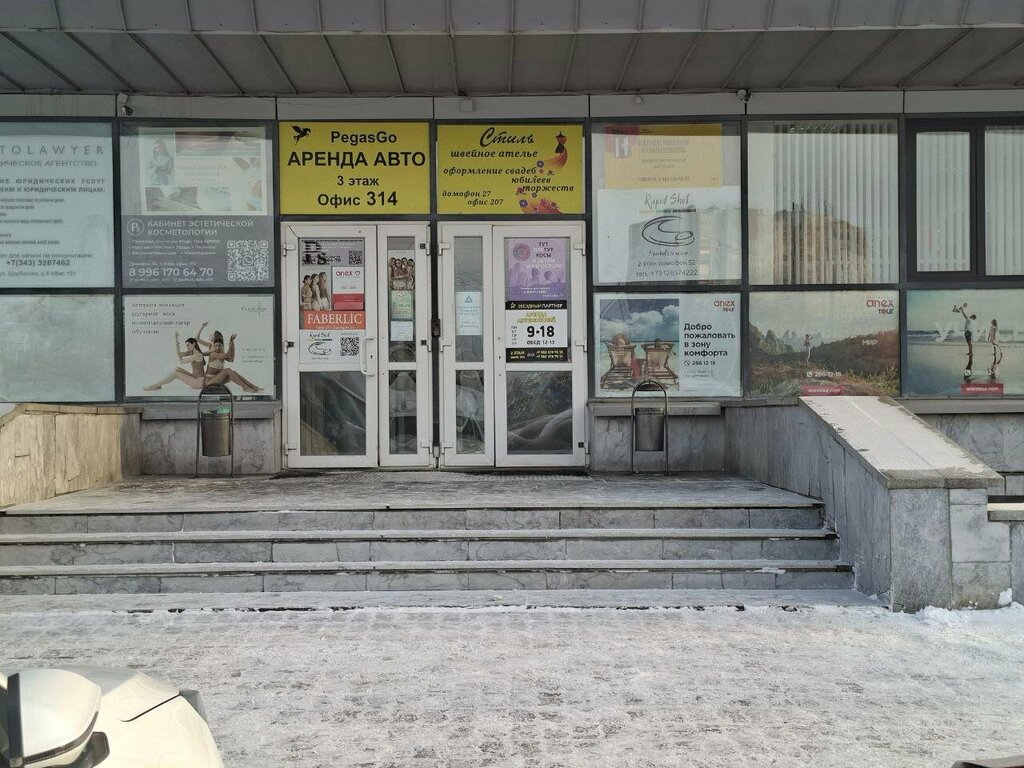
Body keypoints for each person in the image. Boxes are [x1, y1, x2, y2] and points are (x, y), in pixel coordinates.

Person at [957, 303, 977, 378]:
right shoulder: (972, 321)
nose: (970, 316)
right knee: (969, 343)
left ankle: (971, 352)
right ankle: (970, 352)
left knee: (969, 343)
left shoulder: (970, 319)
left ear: (972, 317)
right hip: (969, 332)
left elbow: (965, 316)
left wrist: (962, 310)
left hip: (968, 332)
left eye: (971, 316)